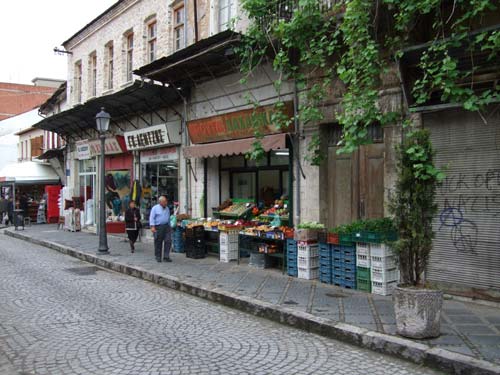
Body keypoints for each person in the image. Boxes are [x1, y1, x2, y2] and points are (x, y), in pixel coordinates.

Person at [149, 195, 172, 263]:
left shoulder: (167, 208)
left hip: (166, 226)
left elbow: (168, 218)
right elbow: (151, 218)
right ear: (160, 202)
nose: (166, 203)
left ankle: (166, 256)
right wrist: (152, 226)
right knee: (158, 242)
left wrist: (170, 226)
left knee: (168, 241)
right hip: (158, 227)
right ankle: (158, 256)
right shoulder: (155, 208)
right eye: (164, 202)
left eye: (166, 201)